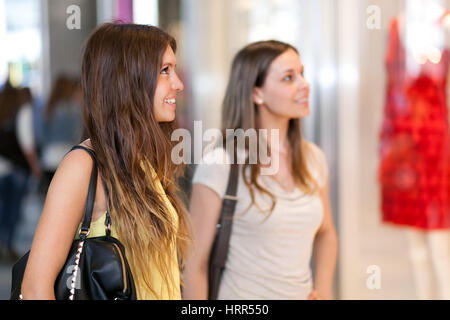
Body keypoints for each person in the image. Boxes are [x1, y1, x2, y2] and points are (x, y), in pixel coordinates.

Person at [21, 23, 189, 300]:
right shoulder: (83, 165)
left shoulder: (144, 161)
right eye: (164, 71)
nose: (178, 83)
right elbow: (35, 288)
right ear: (127, 79)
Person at [183, 40, 338, 300]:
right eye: (289, 78)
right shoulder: (220, 165)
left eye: (302, 74)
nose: (304, 84)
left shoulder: (313, 159)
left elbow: (326, 232)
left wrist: (322, 292)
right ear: (256, 93)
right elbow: (194, 266)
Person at [0, 82, 41, 263]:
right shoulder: (22, 111)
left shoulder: (2, 111)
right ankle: (7, 245)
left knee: (3, 209)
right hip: (16, 168)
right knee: (13, 210)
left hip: (1, 167)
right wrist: (34, 165)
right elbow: (27, 142)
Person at [39, 74, 83, 194]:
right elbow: (78, 135)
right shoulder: (75, 110)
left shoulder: (48, 109)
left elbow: (41, 136)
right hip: (68, 156)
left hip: (49, 157)